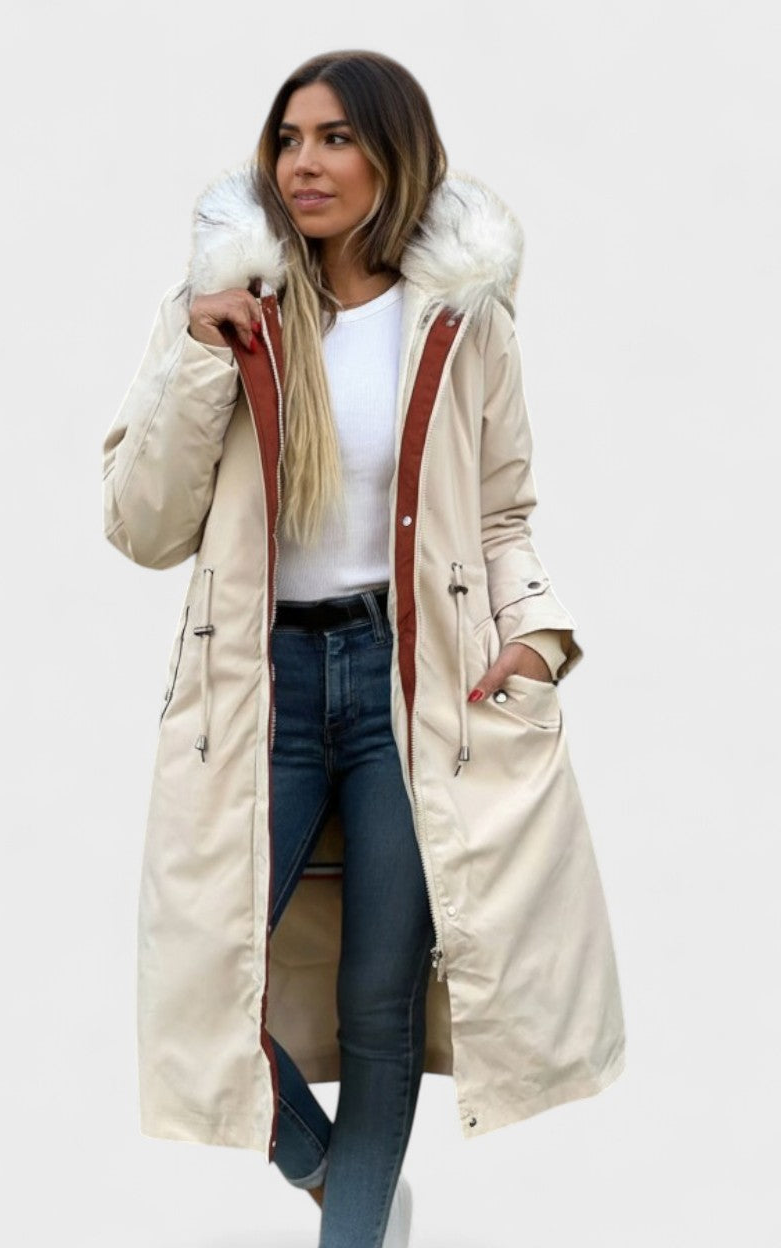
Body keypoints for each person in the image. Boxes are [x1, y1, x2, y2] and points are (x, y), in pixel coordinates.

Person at [101, 48, 626, 1248]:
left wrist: (537, 639)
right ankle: (345, 1186)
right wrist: (199, 352)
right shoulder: (224, 309)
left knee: (381, 1003)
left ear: (394, 154)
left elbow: (502, 510)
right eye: (288, 139)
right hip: (259, 686)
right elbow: (141, 527)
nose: (305, 163)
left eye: (335, 137)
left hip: (416, 681)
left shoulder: (460, 319)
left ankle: (353, 1230)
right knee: (207, 978)